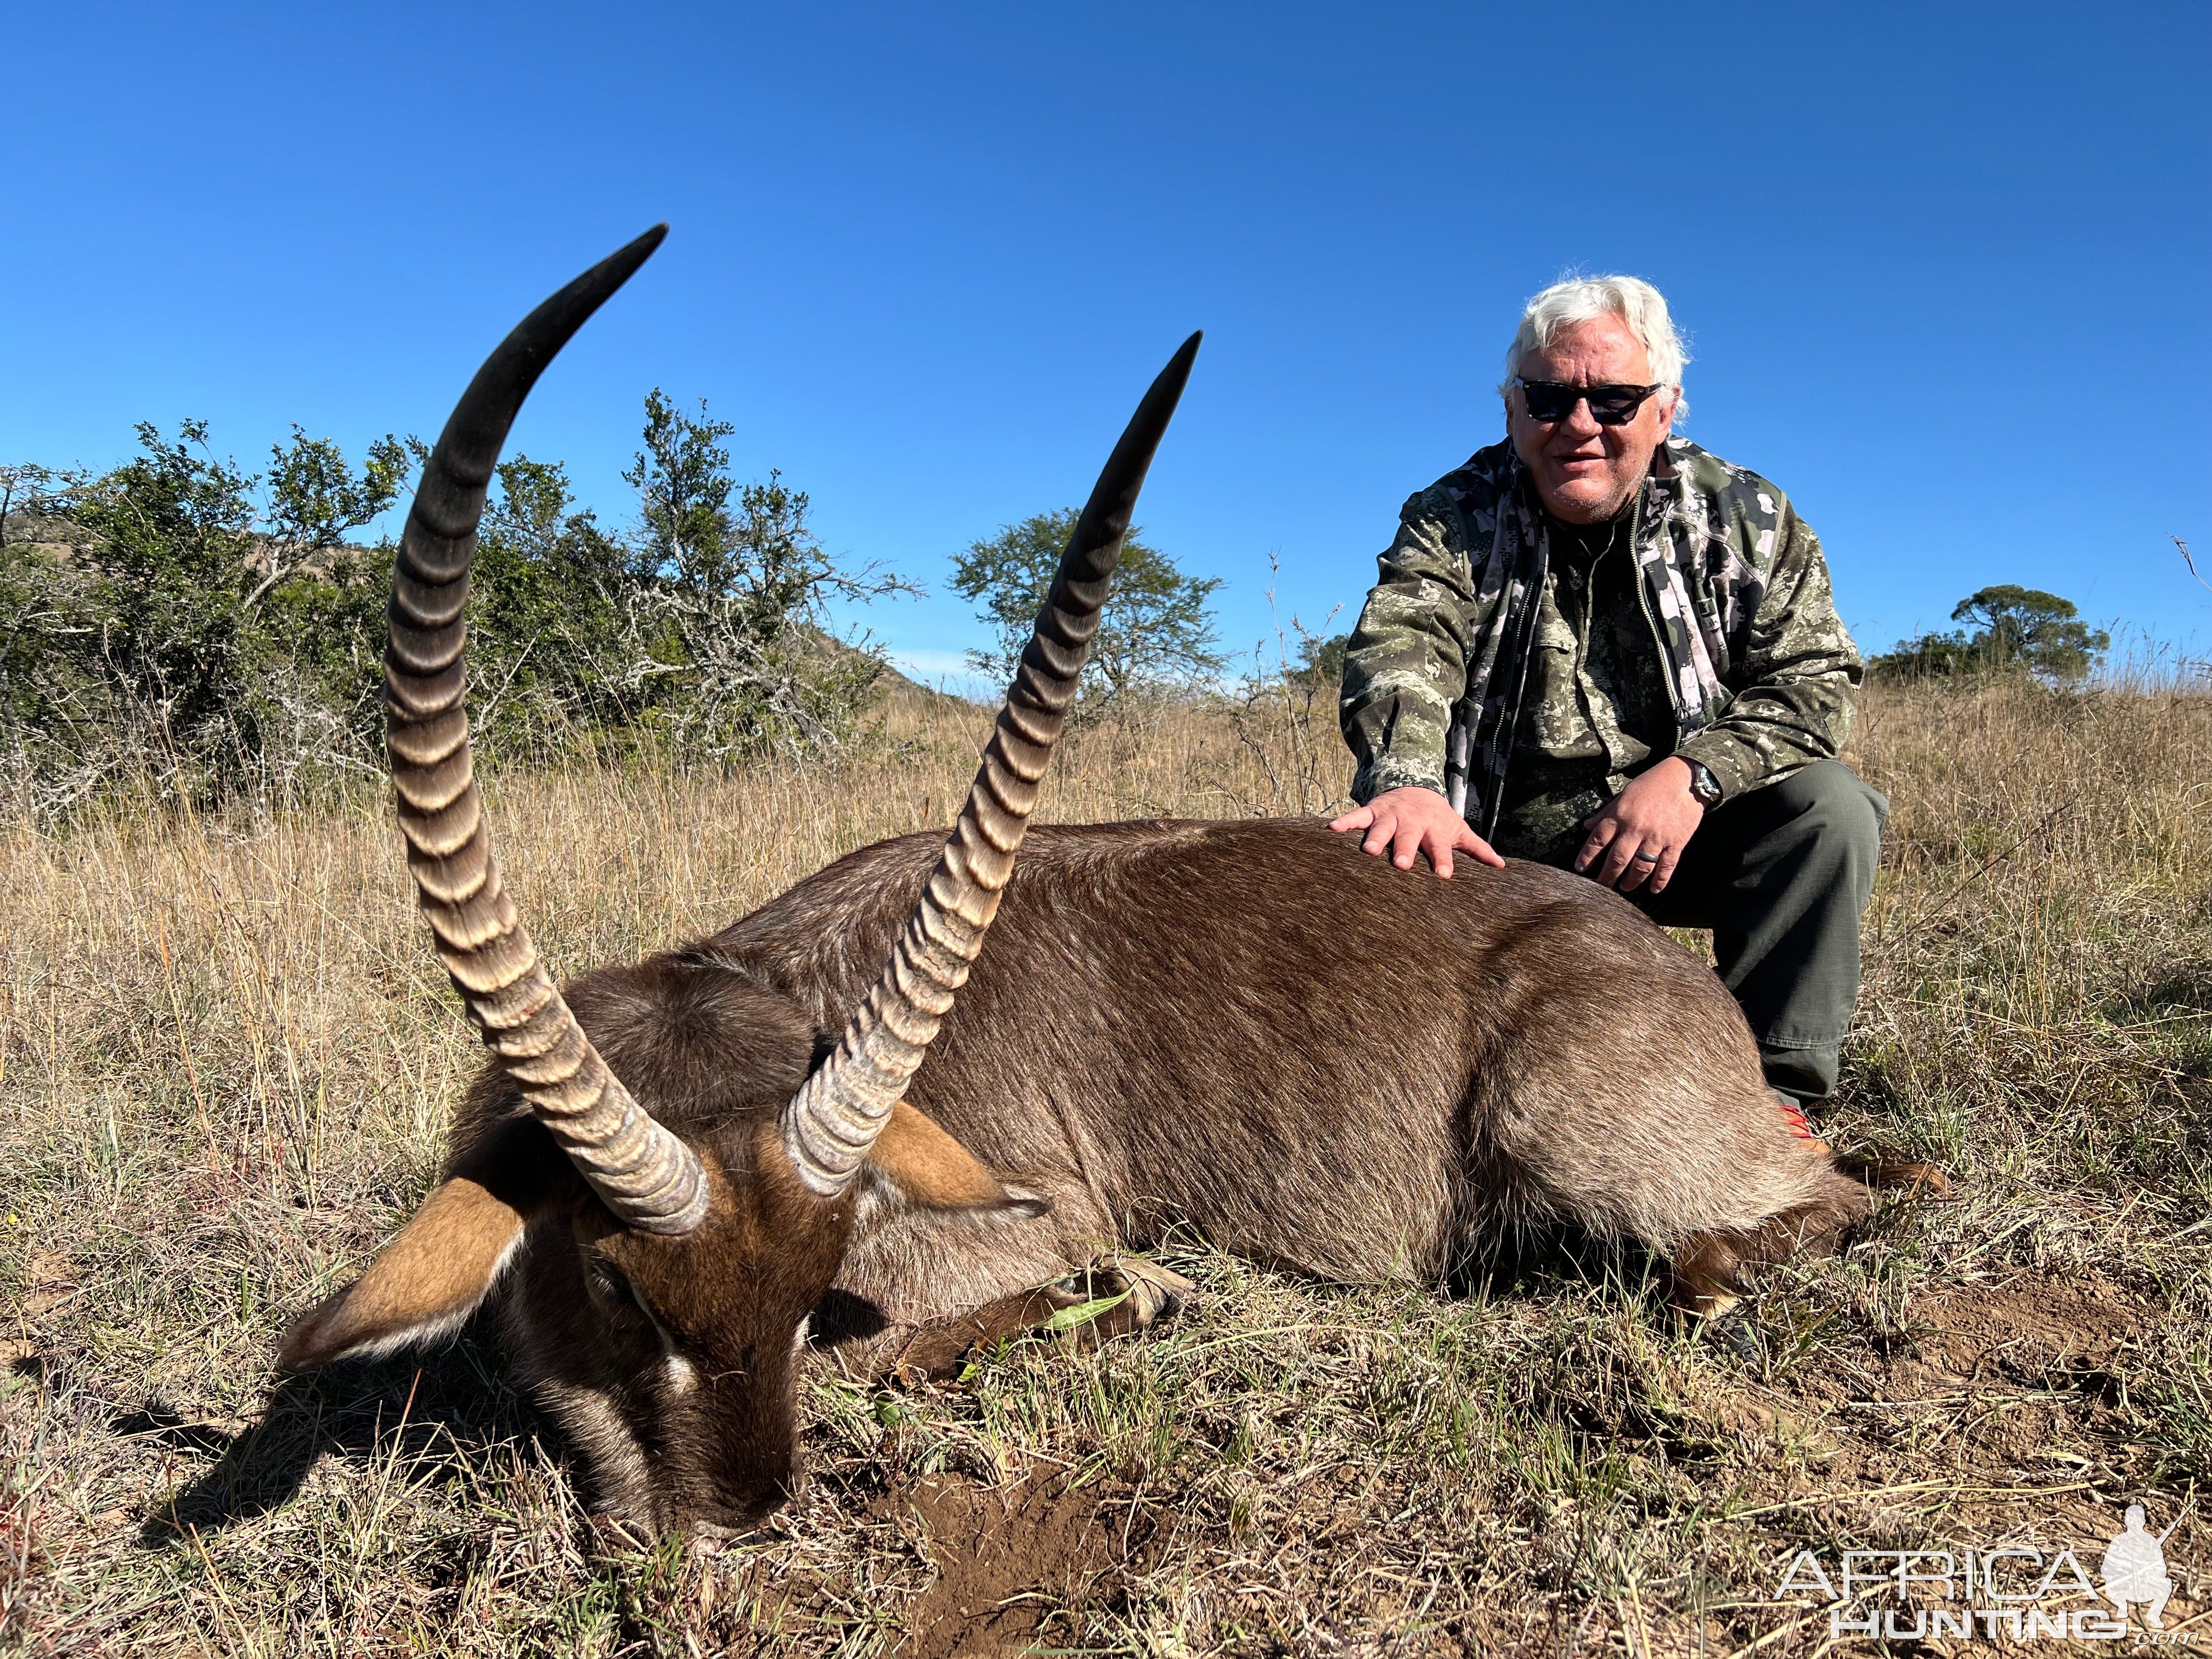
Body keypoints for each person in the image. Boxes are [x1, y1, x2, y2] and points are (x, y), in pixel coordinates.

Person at [1330, 275, 1880, 1109]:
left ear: (1666, 411)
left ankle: (1777, 1102)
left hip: (1680, 839)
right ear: (1513, 409)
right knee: (1356, 862)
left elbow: (1814, 678)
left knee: (1828, 812)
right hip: (1493, 855)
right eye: (1550, 399)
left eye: (1616, 401)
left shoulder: (1746, 514)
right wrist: (1408, 786)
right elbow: (1403, 648)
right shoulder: (1451, 515)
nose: (1580, 427)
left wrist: (1694, 776)